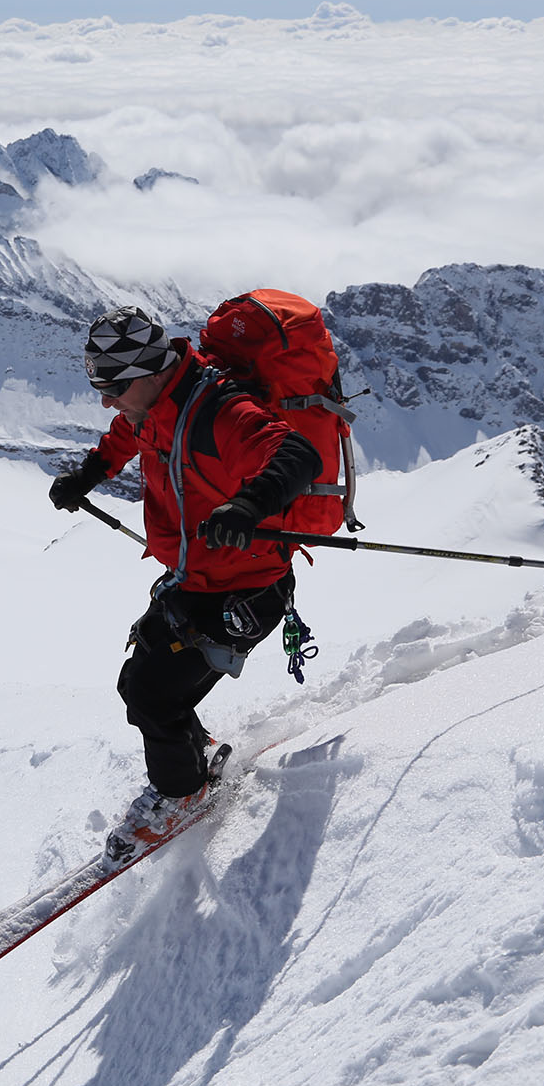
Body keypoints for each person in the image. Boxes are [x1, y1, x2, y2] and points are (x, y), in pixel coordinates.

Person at [49, 306, 323, 860]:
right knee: (140, 682)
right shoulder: (152, 402)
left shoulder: (219, 411)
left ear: (151, 372)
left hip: (246, 588)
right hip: (194, 579)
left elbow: (299, 455)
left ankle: (182, 793)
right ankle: (195, 758)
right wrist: (89, 474)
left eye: (113, 387)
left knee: (152, 694)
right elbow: (127, 433)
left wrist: (248, 503)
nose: (106, 400)